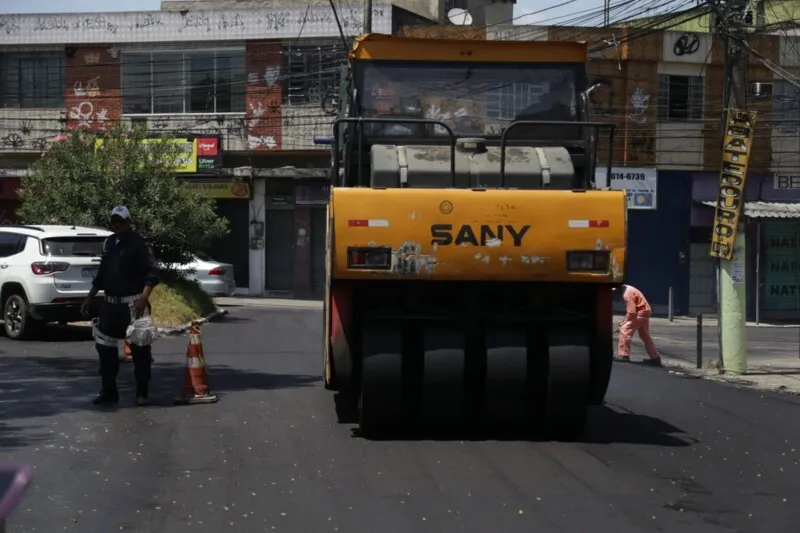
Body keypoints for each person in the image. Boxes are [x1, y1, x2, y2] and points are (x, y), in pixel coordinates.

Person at [81, 206, 160, 406]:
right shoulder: (109, 243)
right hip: (110, 305)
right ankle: (109, 391)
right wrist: (90, 297)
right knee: (105, 348)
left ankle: (142, 393)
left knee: (140, 349)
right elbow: (102, 275)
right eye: (114, 222)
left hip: (134, 304)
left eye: (121, 221)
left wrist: (144, 298)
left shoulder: (140, 244)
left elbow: (152, 274)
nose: (117, 225)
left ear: (129, 222)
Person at [614, 284, 662, 367]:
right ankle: (655, 358)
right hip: (645, 311)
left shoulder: (626, 294)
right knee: (644, 335)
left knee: (625, 330)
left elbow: (632, 312)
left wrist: (622, 324)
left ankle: (624, 355)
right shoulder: (627, 288)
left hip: (640, 312)